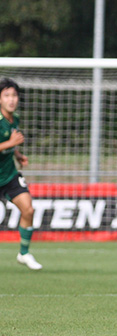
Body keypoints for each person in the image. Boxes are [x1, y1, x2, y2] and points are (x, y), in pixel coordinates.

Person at [0, 78, 41, 271]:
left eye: (14, 95)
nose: (11, 99)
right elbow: (8, 142)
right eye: (6, 95)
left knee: (28, 210)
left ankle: (24, 253)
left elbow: (9, 143)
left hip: (8, 175)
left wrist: (17, 155)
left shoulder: (14, 118)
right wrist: (11, 144)